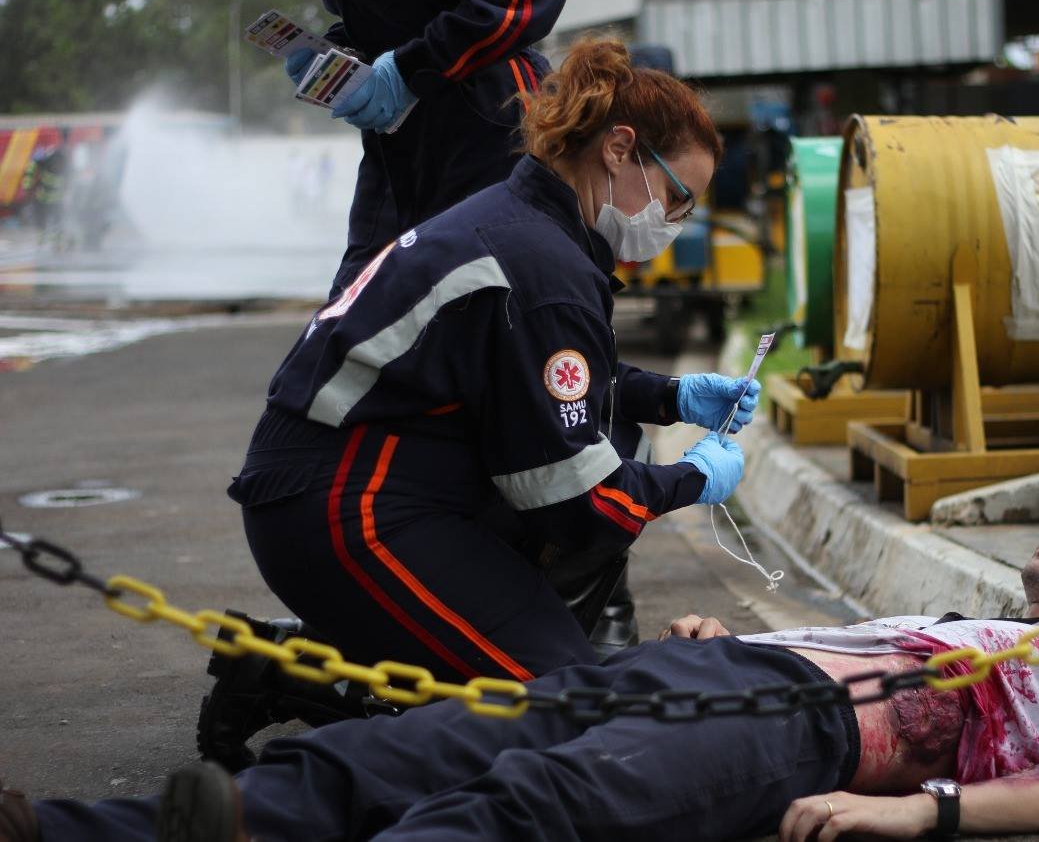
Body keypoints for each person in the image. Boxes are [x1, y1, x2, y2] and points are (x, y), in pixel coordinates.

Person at [10, 468, 1039, 842]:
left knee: (527, 806)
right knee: (402, 748)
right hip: (714, 681)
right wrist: (727, 640)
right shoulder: (969, 628)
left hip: (792, 734)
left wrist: (910, 813)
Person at [225, 37, 760, 691]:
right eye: (677, 198)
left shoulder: (526, 223)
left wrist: (672, 396)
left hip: (340, 489)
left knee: (618, 436)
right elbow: (578, 500)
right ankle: (308, 745)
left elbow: (534, 384)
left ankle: (315, 665)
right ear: (619, 150)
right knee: (554, 702)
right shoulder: (544, 269)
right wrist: (692, 477)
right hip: (346, 509)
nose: (672, 220)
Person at [287, 0, 568, 299]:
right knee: (358, 295)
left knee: (485, 292)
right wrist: (340, 52)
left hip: (488, 111)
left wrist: (410, 68)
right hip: (397, 131)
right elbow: (385, 14)